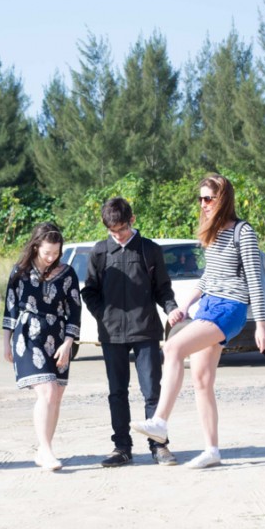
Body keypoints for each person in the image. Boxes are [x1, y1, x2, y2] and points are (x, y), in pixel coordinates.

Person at [131, 174, 265, 469]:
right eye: (201, 198)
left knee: (173, 347)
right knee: (202, 381)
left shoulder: (243, 232)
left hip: (230, 308)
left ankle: (159, 421)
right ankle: (212, 450)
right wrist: (185, 305)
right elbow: (209, 276)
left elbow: (255, 280)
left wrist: (261, 323)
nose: (204, 203)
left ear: (224, 199)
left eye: (209, 198)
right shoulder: (214, 232)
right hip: (208, 305)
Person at [81, 197, 180, 468]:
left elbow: (163, 289)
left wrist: (171, 308)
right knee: (117, 392)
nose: (118, 235)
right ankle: (122, 448)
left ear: (132, 220)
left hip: (146, 331)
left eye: (122, 229)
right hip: (111, 334)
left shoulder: (149, 250)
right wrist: (104, 315)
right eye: (112, 231)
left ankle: (159, 446)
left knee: (152, 391)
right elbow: (89, 291)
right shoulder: (100, 252)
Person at [2, 223, 81, 471]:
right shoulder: (20, 271)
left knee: (56, 395)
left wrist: (68, 343)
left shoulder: (67, 273)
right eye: (47, 252)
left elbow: (75, 310)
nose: (51, 257)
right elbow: (10, 307)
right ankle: (46, 451)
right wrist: (6, 342)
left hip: (59, 337)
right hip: (28, 336)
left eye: (56, 253)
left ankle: (43, 449)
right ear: (36, 246)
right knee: (46, 391)